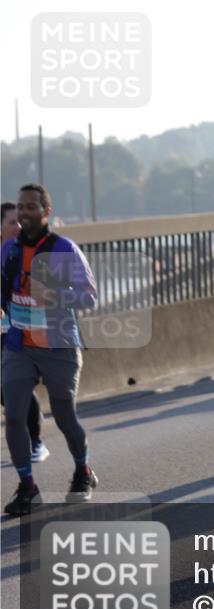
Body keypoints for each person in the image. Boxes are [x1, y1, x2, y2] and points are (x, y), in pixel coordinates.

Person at [2, 184, 98, 516]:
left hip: (58, 344)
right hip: (19, 345)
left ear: (46, 211)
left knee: (65, 417)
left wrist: (55, 294)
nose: (24, 212)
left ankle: (83, 470)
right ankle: (27, 487)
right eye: (20, 206)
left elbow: (89, 296)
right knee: (15, 416)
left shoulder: (63, 248)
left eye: (31, 206)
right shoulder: (9, 250)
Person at [0, 202, 47, 463]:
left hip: (20, 330)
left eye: (20, 221)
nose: (18, 227)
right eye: (12, 222)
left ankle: (36, 441)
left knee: (18, 384)